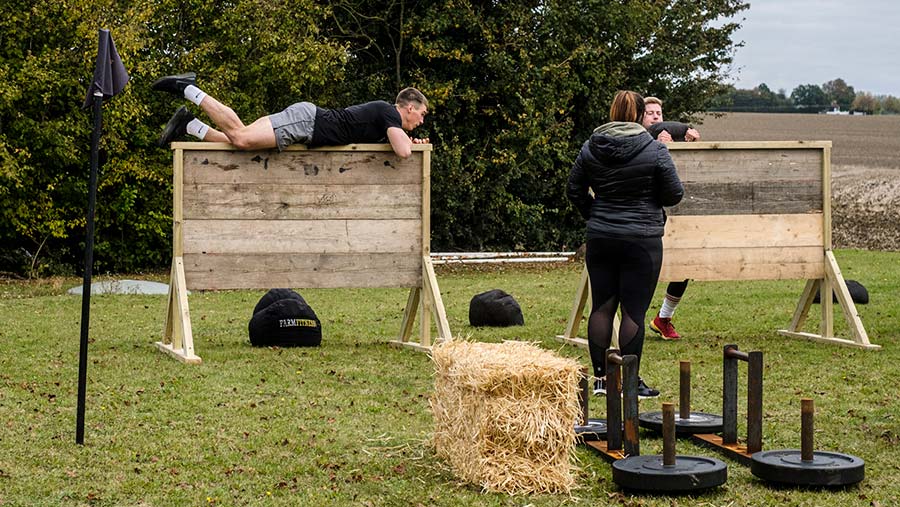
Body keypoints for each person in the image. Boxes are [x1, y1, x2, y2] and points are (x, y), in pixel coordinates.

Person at [567, 90, 684, 398]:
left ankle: (601, 380)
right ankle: (629, 382)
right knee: (633, 312)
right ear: (637, 115)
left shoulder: (591, 146)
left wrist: (594, 213)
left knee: (602, 307)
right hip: (641, 239)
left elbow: (574, 189)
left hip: (601, 235)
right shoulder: (655, 150)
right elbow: (674, 194)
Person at [151, 72, 429, 158]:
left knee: (240, 143)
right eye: (422, 114)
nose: (422, 121)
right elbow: (403, 153)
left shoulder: (386, 125)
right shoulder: (388, 113)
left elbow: (395, 147)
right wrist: (410, 144)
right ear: (409, 107)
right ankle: (188, 88)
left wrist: (410, 142)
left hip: (306, 123)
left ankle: (191, 126)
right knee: (241, 138)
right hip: (307, 122)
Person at [640, 96, 700, 340]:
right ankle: (629, 320)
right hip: (645, 217)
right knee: (643, 271)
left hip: (676, 215)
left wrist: (687, 142)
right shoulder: (637, 141)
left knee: (683, 267)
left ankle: (663, 318)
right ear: (639, 118)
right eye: (650, 113)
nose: (655, 117)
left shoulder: (671, 144)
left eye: (659, 113)